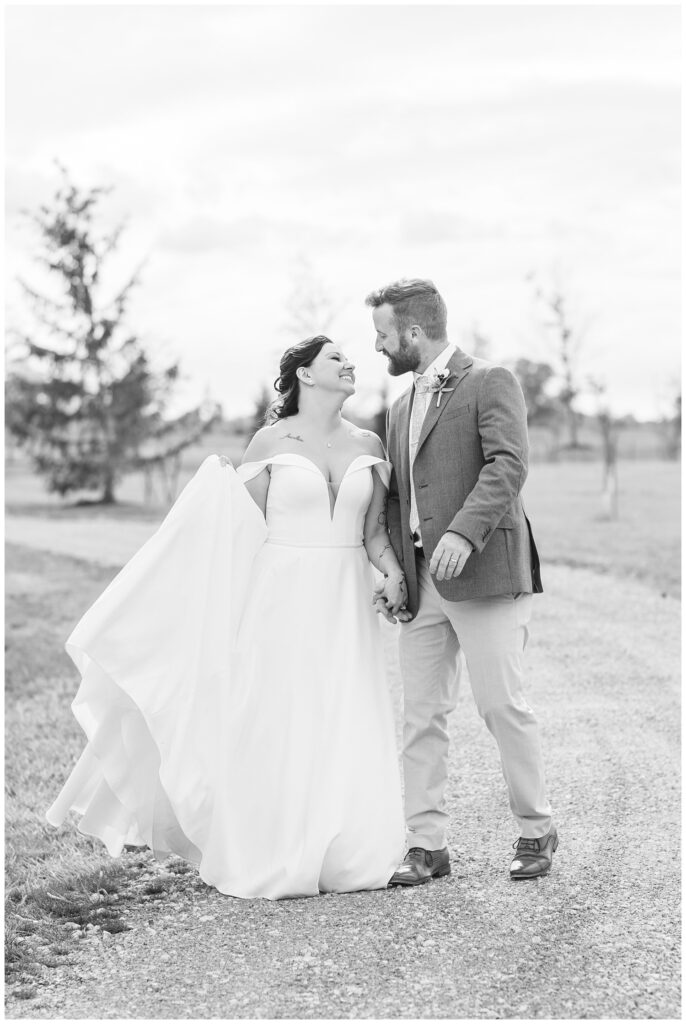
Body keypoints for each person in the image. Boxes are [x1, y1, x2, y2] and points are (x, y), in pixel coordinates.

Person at [47, 336, 407, 900]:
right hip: (282, 593)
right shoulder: (269, 440)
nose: (350, 363)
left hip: (345, 597)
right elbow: (243, 528)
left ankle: (345, 850)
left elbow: (374, 534)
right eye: (336, 358)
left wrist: (393, 573)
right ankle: (275, 848)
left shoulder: (369, 441)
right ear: (305, 376)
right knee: (281, 714)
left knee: (344, 707)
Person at [368, 278, 558, 883]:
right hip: (424, 587)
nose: (378, 346)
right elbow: (399, 498)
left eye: (383, 334)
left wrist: (462, 532)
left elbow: (510, 464)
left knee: (502, 705)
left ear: (414, 332)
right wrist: (398, 572)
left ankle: (536, 829)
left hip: (486, 573)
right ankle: (428, 844)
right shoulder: (397, 409)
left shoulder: (488, 382)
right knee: (420, 715)